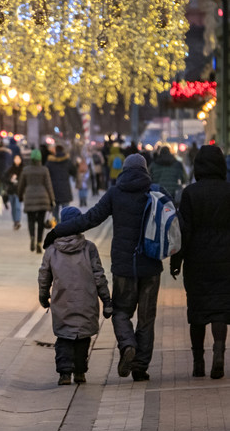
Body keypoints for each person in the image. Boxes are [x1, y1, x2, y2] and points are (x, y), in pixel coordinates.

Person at [45, 154, 169, 382]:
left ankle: (127, 345)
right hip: (151, 266)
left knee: (120, 312)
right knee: (147, 318)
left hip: (124, 268)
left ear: (124, 169)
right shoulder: (155, 191)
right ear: (145, 169)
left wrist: (58, 231)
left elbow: (90, 219)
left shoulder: (116, 192)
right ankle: (140, 367)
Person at [170, 145, 230, 379]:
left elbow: (183, 231)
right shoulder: (228, 191)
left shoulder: (190, 193)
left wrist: (177, 260)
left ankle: (198, 362)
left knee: (197, 310)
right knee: (220, 310)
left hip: (197, 259)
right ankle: (219, 351)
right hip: (226, 258)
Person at [39, 207, 112, 385]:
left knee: (64, 336)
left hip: (62, 302)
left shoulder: (52, 250)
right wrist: (107, 300)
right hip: (86, 301)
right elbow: (99, 276)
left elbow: (44, 276)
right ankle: (80, 372)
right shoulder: (89, 248)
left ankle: (64, 373)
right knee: (82, 337)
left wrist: (43, 296)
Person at [18, 148, 55, 253]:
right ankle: (39, 242)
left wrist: (20, 196)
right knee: (40, 222)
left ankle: (32, 237)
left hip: (29, 198)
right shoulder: (44, 170)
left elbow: (21, 185)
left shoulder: (26, 170)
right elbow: (49, 186)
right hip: (43, 199)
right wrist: (52, 199)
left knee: (30, 220)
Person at [46, 145, 76, 222]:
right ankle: (65, 228)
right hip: (65, 189)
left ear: (55, 151)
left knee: (55, 211)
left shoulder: (50, 162)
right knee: (66, 211)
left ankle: (56, 228)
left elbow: (46, 174)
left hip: (54, 190)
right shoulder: (67, 161)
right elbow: (74, 172)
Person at [4, 154, 24, 230]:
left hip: (19, 191)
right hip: (11, 191)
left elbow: (24, 180)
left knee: (18, 207)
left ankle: (17, 221)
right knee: (13, 207)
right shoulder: (10, 169)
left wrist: (18, 179)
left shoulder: (23, 169)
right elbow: (4, 178)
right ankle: (15, 221)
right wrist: (10, 179)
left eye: (18, 158)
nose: (17, 160)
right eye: (16, 158)